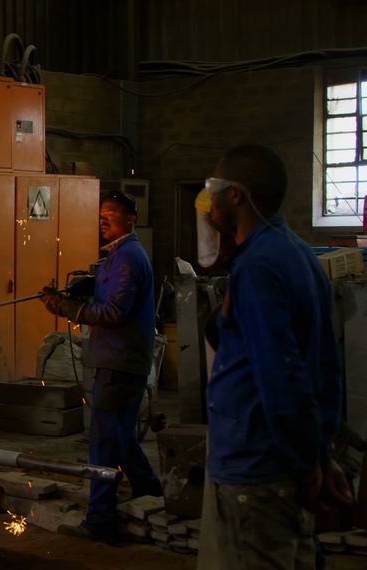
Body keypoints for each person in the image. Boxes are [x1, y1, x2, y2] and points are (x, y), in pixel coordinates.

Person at [195, 145, 347, 569]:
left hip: (258, 471)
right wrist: (320, 451)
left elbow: (281, 377)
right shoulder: (296, 252)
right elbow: (325, 365)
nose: (208, 201)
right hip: (279, 464)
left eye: (214, 189)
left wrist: (305, 463)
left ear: (236, 196)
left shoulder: (259, 267)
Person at [40, 190, 164, 542]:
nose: (103, 219)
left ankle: (99, 520)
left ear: (129, 219)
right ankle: (151, 495)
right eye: (101, 214)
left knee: (104, 441)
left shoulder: (127, 258)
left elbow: (113, 312)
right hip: (121, 360)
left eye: (111, 213)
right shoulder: (121, 256)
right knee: (121, 436)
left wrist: (68, 309)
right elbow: (108, 291)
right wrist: (80, 290)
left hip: (118, 362)